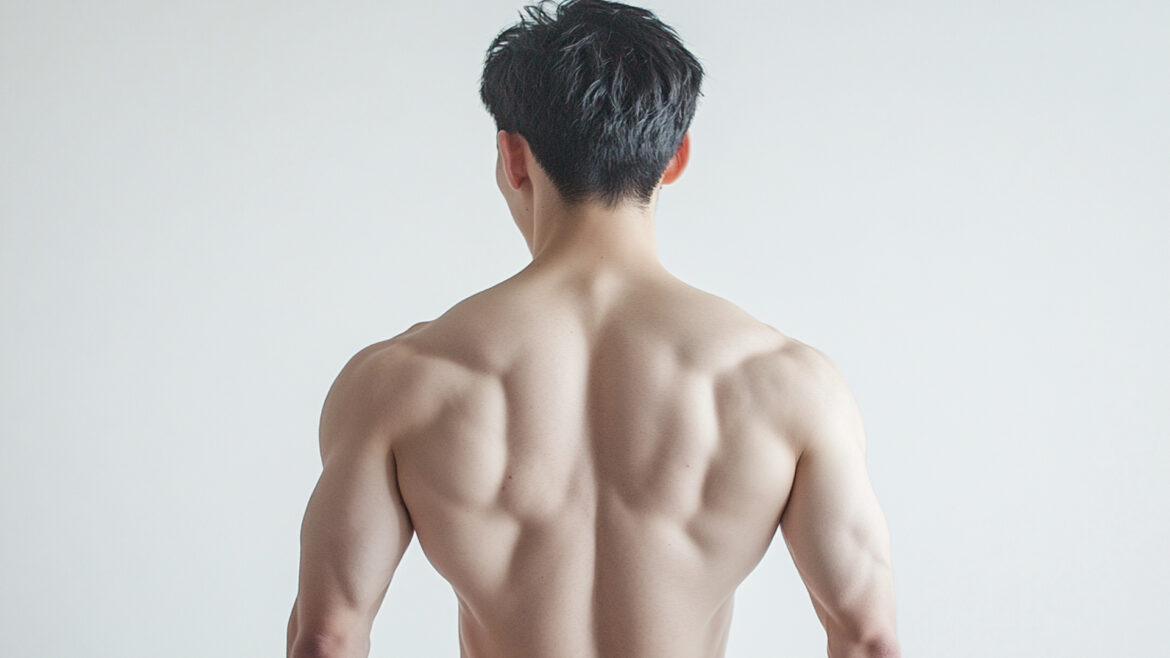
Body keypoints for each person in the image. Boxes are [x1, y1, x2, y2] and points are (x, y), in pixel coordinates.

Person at [286, 1, 900, 656]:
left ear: (513, 157)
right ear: (675, 157)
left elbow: (327, 638)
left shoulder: (400, 381)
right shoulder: (788, 384)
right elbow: (867, 638)